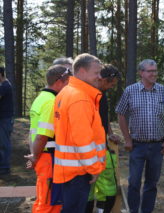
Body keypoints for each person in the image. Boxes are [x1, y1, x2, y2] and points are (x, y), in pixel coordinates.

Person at [116, 59, 164, 213]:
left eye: (155, 71)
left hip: (157, 145)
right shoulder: (130, 91)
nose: (153, 74)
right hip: (137, 145)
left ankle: (147, 210)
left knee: (152, 182)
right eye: (150, 71)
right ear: (141, 73)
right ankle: (133, 210)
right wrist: (127, 139)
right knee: (134, 182)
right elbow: (120, 113)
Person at [53, 53, 106, 213]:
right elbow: (82, 140)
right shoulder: (80, 98)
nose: (99, 77)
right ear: (82, 71)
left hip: (71, 169)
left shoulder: (66, 92)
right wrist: (94, 168)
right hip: (79, 170)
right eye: (96, 73)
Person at [25, 65, 71, 213]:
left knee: (44, 200)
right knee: (48, 203)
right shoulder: (51, 102)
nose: (69, 86)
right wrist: (35, 157)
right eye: (68, 82)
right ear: (59, 82)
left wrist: (34, 155)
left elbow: (32, 132)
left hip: (43, 158)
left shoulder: (40, 98)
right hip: (48, 159)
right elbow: (42, 135)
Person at [86, 64, 121, 213]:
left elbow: (103, 117)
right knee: (88, 191)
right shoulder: (87, 95)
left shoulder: (102, 95)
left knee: (108, 191)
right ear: (105, 79)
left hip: (103, 148)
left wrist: (110, 133)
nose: (112, 87)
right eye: (111, 84)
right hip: (88, 150)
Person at [0, 67, 14, 175]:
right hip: (4, 118)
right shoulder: (4, 85)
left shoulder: (5, 86)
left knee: (4, 143)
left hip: (5, 119)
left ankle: (5, 168)